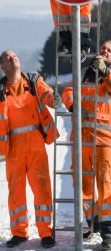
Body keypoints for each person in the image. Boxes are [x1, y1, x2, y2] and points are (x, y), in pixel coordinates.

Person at [62, 40, 111, 249]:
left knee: (105, 185)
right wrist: (72, 105)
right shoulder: (84, 74)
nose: (104, 51)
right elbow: (68, 90)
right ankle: (94, 221)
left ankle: (108, 233)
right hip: (82, 140)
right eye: (103, 48)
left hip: (103, 141)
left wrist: (105, 71)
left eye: (109, 50)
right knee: (82, 185)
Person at [0, 51, 61, 249]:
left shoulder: (33, 81)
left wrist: (55, 100)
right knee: (15, 192)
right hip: (13, 148)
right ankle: (19, 232)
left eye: (14, 56)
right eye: (7, 58)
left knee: (42, 189)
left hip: (35, 143)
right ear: (2, 66)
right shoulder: (1, 90)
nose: (12, 58)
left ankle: (46, 233)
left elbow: (47, 94)